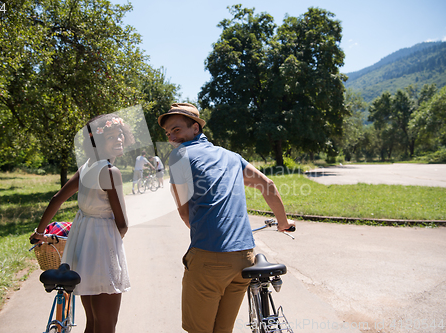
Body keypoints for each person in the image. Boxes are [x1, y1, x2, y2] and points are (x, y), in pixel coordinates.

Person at [158, 103, 295, 333]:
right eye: (168, 133)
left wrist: (208, 232)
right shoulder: (231, 156)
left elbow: (184, 212)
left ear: (195, 127)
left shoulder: (179, 156)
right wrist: (283, 223)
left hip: (209, 257)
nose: (171, 136)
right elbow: (267, 184)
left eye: (176, 129)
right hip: (244, 257)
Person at [30, 114, 134, 333]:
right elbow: (122, 223)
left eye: (120, 135)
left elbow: (57, 199)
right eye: (111, 137)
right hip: (103, 245)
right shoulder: (109, 171)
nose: (119, 140)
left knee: (93, 322)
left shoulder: (87, 166)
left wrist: (40, 232)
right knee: (106, 325)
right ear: (97, 143)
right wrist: (115, 242)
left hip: (83, 246)